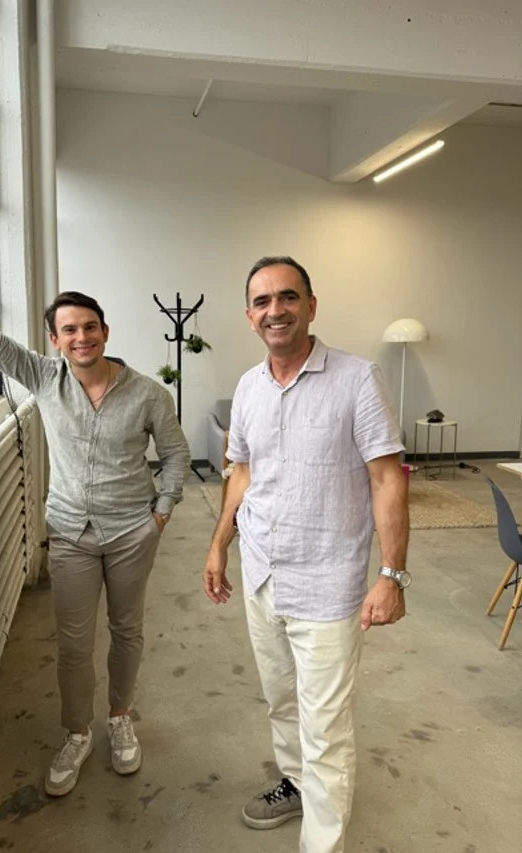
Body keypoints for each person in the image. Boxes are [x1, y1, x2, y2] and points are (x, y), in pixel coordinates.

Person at [0, 242, 191, 797]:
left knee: (127, 630)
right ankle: (77, 732)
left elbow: (175, 454)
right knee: (74, 643)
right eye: (70, 330)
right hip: (71, 534)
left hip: (132, 532)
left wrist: (162, 513)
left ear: (106, 331)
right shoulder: (42, 376)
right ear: (55, 339)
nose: (82, 338)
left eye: (91, 327)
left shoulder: (148, 393)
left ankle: (120, 717)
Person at [203, 256, 409, 853]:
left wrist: (391, 574)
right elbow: (241, 471)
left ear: (311, 305)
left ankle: (323, 842)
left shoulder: (357, 378)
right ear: (249, 316)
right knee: (281, 701)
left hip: (328, 581)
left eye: (288, 297)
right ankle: (293, 784)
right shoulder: (247, 387)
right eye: (263, 302)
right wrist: (220, 543)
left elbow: (387, 478)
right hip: (263, 572)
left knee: (327, 731)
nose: (276, 310)